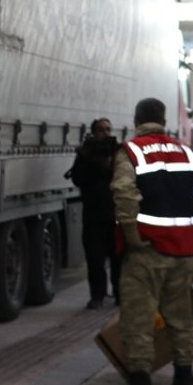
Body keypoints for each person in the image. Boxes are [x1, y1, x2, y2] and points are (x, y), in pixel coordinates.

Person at [111, 98, 193, 385]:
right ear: (163, 120)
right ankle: (183, 381)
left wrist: (132, 235)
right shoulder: (185, 152)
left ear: (137, 119)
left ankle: (140, 384)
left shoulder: (131, 151)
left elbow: (124, 193)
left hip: (147, 251)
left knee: (139, 318)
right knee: (180, 317)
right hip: (184, 249)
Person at [66, 118, 122, 309]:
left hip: (116, 214)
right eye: (100, 130)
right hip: (93, 214)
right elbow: (78, 179)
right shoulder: (86, 152)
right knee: (95, 259)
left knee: (118, 259)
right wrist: (93, 162)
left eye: (108, 129)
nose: (105, 133)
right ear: (93, 132)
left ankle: (119, 295)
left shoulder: (118, 152)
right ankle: (97, 296)